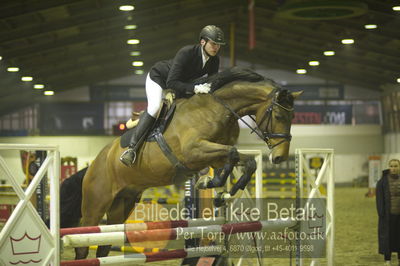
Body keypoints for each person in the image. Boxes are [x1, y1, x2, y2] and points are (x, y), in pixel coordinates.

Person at [120, 25, 225, 167]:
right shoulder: (186, 52)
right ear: (202, 42)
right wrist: (194, 88)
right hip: (159, 79)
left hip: (181, 86)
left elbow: (211, 83)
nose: (216, 47)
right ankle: (131, 149)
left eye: (218, 45)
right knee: (155, 107)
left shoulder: (214, 60)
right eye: (213, 43)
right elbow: (171, 82)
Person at [376, 158, 400, 265]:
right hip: (387, 216)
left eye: (396, 166)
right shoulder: (382, 182)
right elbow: (379, 199)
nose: (393, 168)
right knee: (387, 238)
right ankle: (387, 259)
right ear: (389, 167)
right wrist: (381, 214)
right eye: (391, 166)